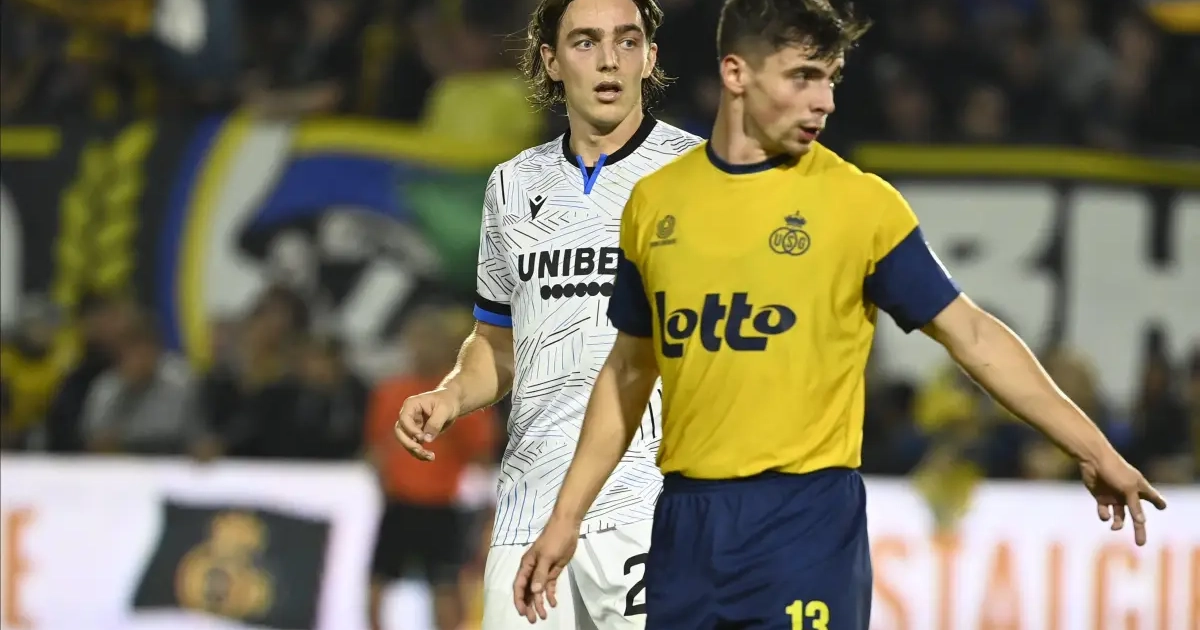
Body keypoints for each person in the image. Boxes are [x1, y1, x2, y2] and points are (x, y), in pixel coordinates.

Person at [514, 1, 1168, 629]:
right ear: (736, 73)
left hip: (804, 522)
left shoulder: (860, 206)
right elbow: (629, 371)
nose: (824, 100)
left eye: (830, 79)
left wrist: (1092, 448)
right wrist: (567, 517)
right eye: (803, 77)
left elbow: (971, 332)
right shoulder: (654, 204)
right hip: (687, 523)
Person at [392, 0, 701, 628]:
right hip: (528, 511)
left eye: (627, 41)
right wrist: (451, 394)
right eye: (585, 42)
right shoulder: (511, 184)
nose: (609, 60)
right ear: (551, 61)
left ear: (650, 57)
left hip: (652, 503)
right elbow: (497, 342)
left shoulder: (697, 177)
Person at [367, 306, 497, 630]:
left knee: (445, 588)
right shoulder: (390, 390)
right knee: (377, 583)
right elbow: (376, 447)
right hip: (399, 503)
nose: (421, 347)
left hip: (442, 506)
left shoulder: (460, 394)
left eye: (429, 339)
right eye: (416, 339)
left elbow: (481, 453)